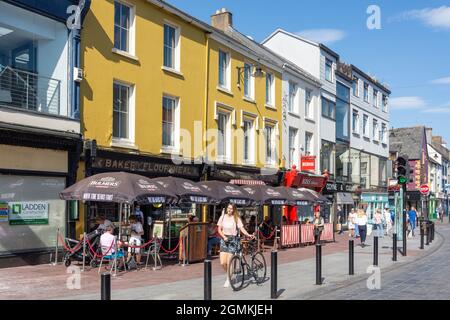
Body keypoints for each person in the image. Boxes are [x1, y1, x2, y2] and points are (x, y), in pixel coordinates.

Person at [217, 204, 255, 288]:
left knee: (229, 262)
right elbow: (219, 229)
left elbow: (242, 228)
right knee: (222, 262)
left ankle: (228, 278)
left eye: (231, 209)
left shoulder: (236, 218)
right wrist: (224, 237)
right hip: (224, 239)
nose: (229, 210)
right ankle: (230, 273)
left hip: (233, 240)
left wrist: (248, 234)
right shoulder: (222, 217)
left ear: (234, 210)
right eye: (228, 208)